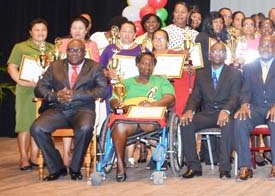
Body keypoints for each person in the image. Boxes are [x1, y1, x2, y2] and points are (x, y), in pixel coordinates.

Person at [31, 39, 106, 181]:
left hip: (83, 109)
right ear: (67, 52)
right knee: (37, 128)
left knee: (85, 128)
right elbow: (39, 88)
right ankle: (57, 167)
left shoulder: (95, 67)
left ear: (84, 52)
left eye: (78, 50)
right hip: (58, 109)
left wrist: (76, 95)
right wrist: (55, 95)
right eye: (71, 50)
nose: (74, 53)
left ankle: (75, 168)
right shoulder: (55, 66)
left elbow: (102, 90)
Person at [107, 51, 175, 181]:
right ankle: (121, 166)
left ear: (154, 66)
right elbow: (114, 99)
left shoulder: (161, 81)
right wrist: (117, 104)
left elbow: (170, 98)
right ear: (137, 65)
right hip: (127, 117)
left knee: (147, 123)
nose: (147, 67)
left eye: (150, 64)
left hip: (150, 118)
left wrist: (154, 104)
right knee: (119, 126)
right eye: (144, 63)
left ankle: (157, 160)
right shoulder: (125, 82)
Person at [234, 36, 275, 181]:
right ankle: (245, 166)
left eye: (269, 46)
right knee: (240, 120)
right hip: (256, 108)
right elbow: (245, 90)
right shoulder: (249, 67)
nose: (266, 48)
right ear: (258, 47)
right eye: (263, 45)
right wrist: (243, 104)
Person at [179, 42, 241, 179]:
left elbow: (235, 97)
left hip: (225, 113)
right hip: (207, 113)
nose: (217, 54)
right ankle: (193, 166)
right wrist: (189, 110)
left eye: (221, 52)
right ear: (209, 55)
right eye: (214, 52)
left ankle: (225, 168)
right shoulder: (202, 74)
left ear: (225, 55)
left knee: (228, 124)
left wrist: (226, 111)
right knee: (186, 123)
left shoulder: (234, 74)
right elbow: (195, 96)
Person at [7, 19, 53, 171]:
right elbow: (12, 67)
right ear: (30, 32)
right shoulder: (20, 47)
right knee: (25, 125)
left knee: (39, 124)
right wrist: (21, 81)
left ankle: (34, 156)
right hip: (26, 90)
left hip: (45, 92)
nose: (40, 33)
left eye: (43, 30)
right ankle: (23, 158)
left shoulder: (52, 49)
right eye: (37, 30)